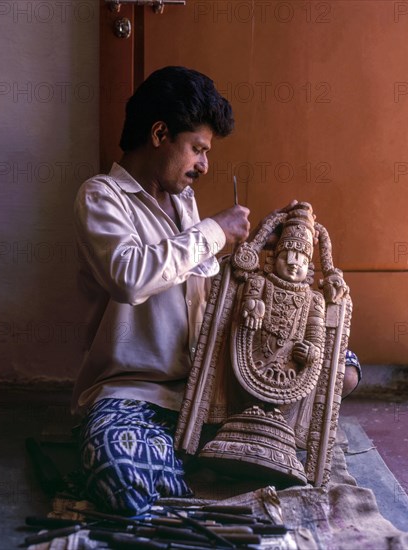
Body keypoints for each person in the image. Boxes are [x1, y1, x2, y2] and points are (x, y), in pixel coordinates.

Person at [71, 66, 360, 516]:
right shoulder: (101, 197)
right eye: (198, 150)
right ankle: (213, 473)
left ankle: (203, 464)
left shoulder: (182, 199)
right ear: (160, 133)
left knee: (331, 375)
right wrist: (214, 231)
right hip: (135, 393)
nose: (204, 165)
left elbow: (200, 286)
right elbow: (128, 277)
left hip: (206, 389)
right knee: (120, 473)